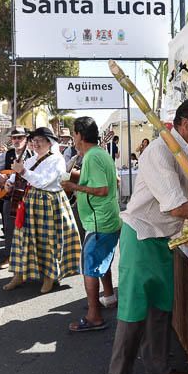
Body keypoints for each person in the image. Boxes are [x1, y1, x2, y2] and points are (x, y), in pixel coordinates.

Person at [103, 98, 188, 374]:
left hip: (163, 241)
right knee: (132, 316)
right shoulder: (160, 152)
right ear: (185, 124)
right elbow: (176, 206)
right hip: (140, 238)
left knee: (160, 311)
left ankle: (157, 369)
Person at [3, 127, 82, 294]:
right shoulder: (32, 159)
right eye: (33, 140)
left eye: (39, 140)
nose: (35, 143)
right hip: (31, 202)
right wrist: (10, 181)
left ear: (49, 142)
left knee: (48, 241)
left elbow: (43, 182)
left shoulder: (57, 160)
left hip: (49, 203)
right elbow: (18, 174)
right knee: (23, 238)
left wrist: (22, 171)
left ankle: (49, 277)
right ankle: (19, 274)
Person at [62, 117, 121, 332]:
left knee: (90, 267)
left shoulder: (93, 157)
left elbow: (102, 189)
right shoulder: (98, 154)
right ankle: (108, 297)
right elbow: (109, 183)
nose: (73, 138)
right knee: (101, 262)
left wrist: (73, 186)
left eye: (73, 134)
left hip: (99, 221)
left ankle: (94, 316)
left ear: (79, 135)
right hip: (106, 218)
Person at [0, 126, 32, 269]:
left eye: (20, 137)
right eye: (15, 138)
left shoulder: (32, 155)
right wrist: (0, 178)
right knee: (9, 228)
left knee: (29, 228)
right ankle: (9, 255)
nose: (17, 140)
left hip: (28, 197)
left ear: (26, 139)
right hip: (10, 197)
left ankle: (29, 257)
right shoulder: (7, 154)